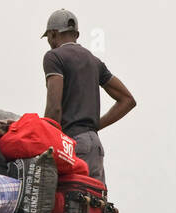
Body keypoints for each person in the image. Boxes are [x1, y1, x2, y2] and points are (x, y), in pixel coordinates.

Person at [41, 8, 136, 184]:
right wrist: (93, 127)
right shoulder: (94, 62)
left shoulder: (54, 57)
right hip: (94, 146)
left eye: (48, 37)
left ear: (53, 34)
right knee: (94, 205)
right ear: (76, 34)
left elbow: (54, 107)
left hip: (71, 145)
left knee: (67, 204)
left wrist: (46, 144)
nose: (48, 42)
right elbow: (127, 100)